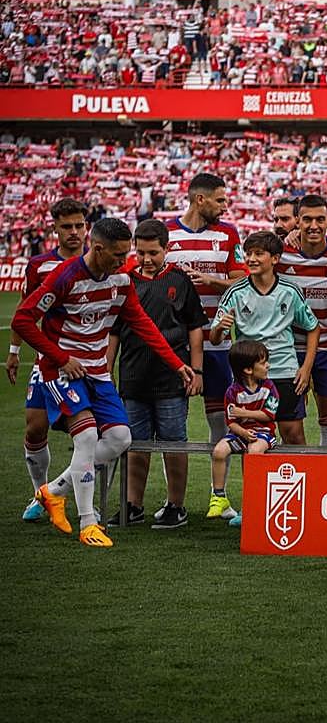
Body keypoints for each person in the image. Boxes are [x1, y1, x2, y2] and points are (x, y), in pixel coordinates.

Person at [13, 218, 196, 547]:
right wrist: (59, 357)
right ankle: (88, 523)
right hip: (63, 370)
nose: (126, 260)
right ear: (97, 249)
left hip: (96, 371)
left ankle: (53, 492)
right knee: (85, 437)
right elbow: (23, 318)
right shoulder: (66, 276)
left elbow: (142, 323)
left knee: (120, 438)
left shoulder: (121, 279)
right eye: (119, 254)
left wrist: (176, 363)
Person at [109, 219, 206, 529]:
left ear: (167, 248)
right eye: (141, 253)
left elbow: (194, 327)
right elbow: (113, 332)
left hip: (173, 378)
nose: (147, 259)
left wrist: (197, 369)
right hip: (133, 376)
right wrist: (105, 373)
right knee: (134, 444)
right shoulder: (123, 281)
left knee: (174, 443)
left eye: (153, 252)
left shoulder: (179, 280)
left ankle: (176, 506)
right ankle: (132, 505)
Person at [211, 231, 319, 478]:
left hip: (285, 372)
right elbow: (215, 338)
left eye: (259, 253)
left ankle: (303, 494)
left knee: (293, 434)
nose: (251, 259)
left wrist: (306, 368)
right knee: (249, 439)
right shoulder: (235, 292)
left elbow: (313, 327)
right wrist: (220, 328)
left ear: (275, 258)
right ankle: (253, 500)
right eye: (248, 254)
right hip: (248, 379)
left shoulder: (290, 291)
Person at [8, 197, 87, 523]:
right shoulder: (39, 265)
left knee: (88, 434)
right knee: (35, 427)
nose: (74, 232)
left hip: (87, 363)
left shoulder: (99, 260)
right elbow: (25, 310)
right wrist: (14, 352)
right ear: (54, 229)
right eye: (66, 227)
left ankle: (72, 496)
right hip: (48, 362)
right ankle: (40, 493)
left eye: (79, 226)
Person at [166, 173, 245, 453]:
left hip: (217, 341)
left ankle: (218, 492)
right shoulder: (167, 234)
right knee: (171, 423)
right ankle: (174, 497)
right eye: (220, 200)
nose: (225, 206)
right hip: (175, 344)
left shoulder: (228, 234)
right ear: (200, 199)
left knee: (219, 419)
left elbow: (242, 279)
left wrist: (212, 281)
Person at [278, 194, 327, 448]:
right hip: (288, 349)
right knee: (289, 424)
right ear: (297, 221)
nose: (313, 226)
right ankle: (300, 476)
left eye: (320, 219)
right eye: (307, 219)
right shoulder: (281, 255)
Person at [209, 339, 278, 527]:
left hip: (264, 433)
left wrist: (244, 413)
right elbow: (230, 422)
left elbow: (269, 415)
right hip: (240, 433)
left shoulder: (269, 387)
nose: (268, 366)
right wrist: (243, 432)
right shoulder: (232, 392)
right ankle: (219, 496)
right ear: (248, 370)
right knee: (219, 451)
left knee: (254, 452)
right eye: (263, 363)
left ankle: (251, 506)